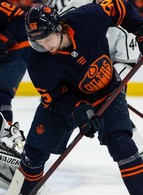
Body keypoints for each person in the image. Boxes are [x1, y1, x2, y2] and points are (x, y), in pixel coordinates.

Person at [20, 3, 143, 195]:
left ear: (59, 27)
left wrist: (140, 29)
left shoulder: (88, 17)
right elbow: (54, 98)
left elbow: (119, 6)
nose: (44, 46)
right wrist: (78, 109)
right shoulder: (37, 61)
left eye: (47, 39)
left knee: (122, 145)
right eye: (37, 41)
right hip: (69, 100)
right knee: (35, 151)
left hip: (107, 91)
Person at [48, 0, 143, 157]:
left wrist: (106, 84)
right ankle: (50, 146)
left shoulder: (122, 12)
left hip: (108, 72)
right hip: (75, 68)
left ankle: (135, 150)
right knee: (65, 109)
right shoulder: (76, 6)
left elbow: (127, 61)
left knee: (114, 111)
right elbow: (55, 39)